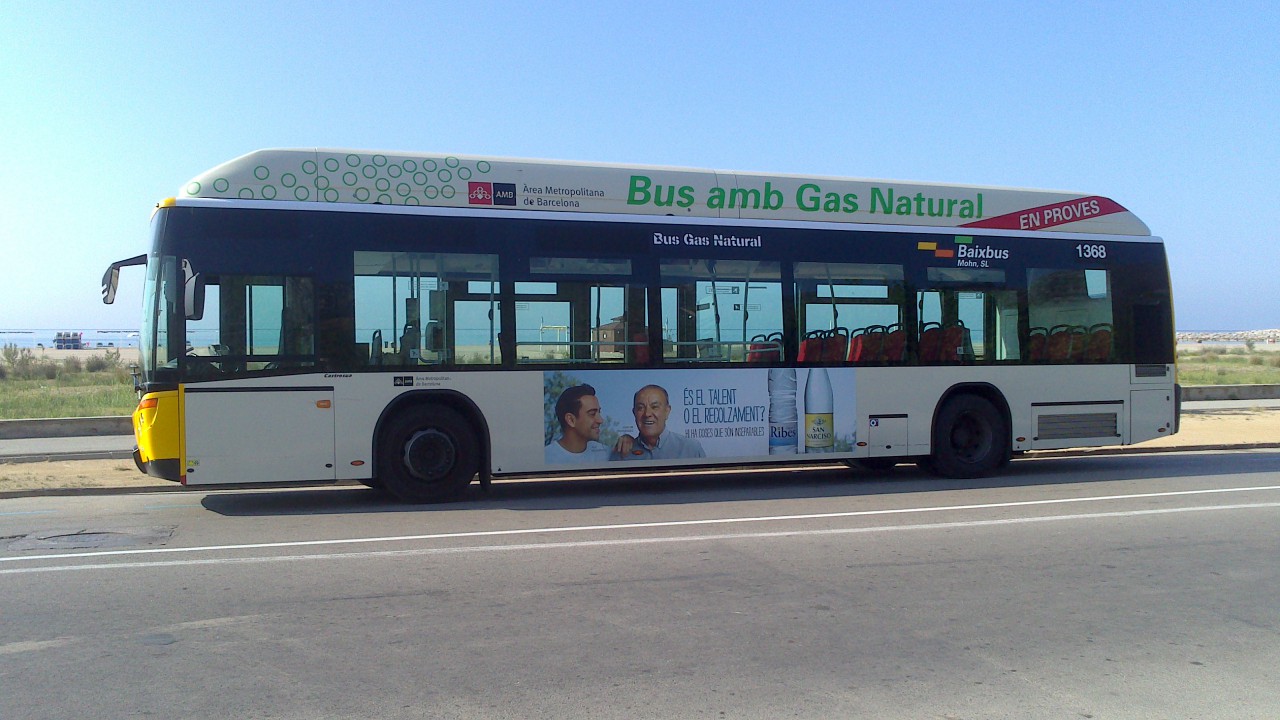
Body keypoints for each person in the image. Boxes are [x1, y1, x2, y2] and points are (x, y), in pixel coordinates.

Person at [612, 384, 705, 461]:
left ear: (667, 411)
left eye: (654, 407)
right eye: (640, 408)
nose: (647, 414)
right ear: (634, 413)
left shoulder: (691, 448)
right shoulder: (622, 452)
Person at [545, 384, 611, 464]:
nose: (600, 420)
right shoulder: (547, 458)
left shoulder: (607, 454)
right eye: (592, 414)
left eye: (599, 412)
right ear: (571, 420)